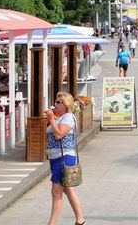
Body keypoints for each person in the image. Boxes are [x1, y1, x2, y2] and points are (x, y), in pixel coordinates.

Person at [45, 92, 86, 225]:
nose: (55, 105)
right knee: (68, 189)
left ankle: (51, 223)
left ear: (65, 105)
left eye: (58, 102)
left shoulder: (68, 117)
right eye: (55, 102)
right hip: (56, 157)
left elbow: (59, 135)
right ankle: (80, 220)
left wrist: (51, 118)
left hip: (63, 157)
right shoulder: (61, 117)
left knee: (56, 192)